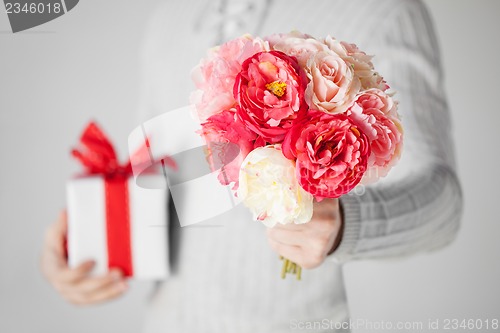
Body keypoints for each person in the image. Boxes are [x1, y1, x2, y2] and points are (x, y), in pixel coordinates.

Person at [41, 0, 463, 332]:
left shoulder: (384, 10)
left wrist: (345, 226)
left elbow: (443, 207)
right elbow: (163, 190)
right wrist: (91, 246)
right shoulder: (168, 16)